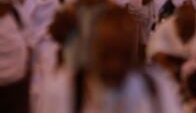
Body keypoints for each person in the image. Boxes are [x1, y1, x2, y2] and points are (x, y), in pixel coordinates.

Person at [39, 6, 180, 113]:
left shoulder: (156, 90)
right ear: (92, 49)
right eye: (106, 55)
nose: (115, 65)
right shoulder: (63, 90)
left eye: (123, 56)